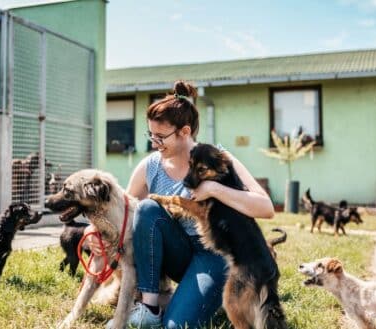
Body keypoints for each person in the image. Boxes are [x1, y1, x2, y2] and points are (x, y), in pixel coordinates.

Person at [91, 80, 274, 329]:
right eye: (151, 135)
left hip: (213, 255)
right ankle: (149, 305)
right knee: (146, 208)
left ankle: (208, 296)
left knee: (177, 326)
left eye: (160, 136)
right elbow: (121, 212)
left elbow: (265, 207)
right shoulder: (150, 166)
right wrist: (93, 233)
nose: (154, 142)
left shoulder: (217, 158)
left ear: (185, 132)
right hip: (176, 253)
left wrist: (214, 189)